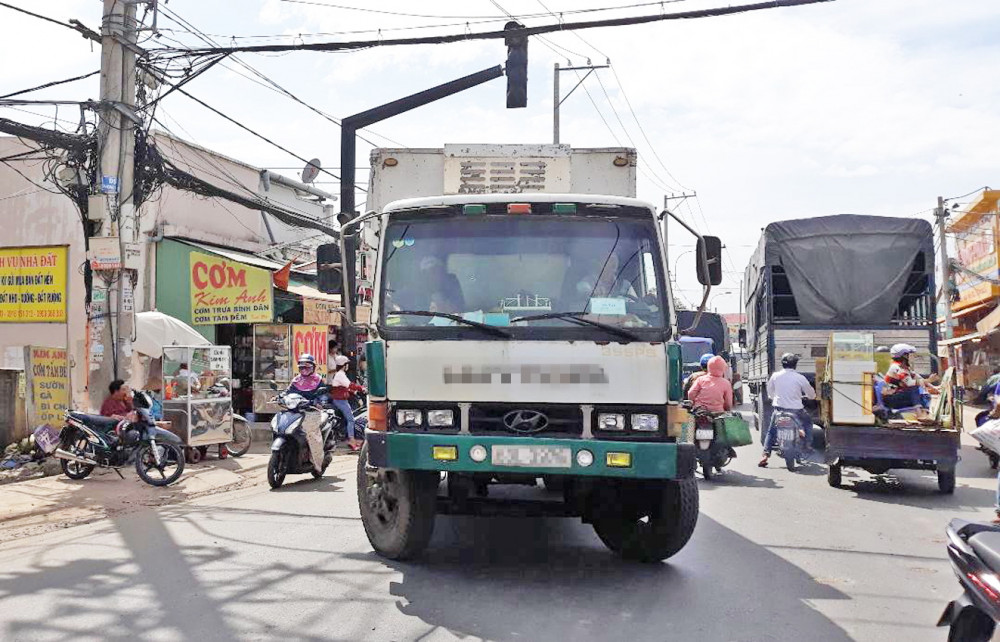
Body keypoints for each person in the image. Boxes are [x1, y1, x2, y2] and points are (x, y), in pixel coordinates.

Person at [759, 353, 816, 468]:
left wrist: (774, 397)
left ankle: (765, 455)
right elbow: (811, 395)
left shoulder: (775, 376)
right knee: (808, 423)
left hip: (779, 410)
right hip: (797, 411)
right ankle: (807, 446)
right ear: (795, 365)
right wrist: (809, 397)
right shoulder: (800, 378)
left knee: (771, 431)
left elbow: (770, 392)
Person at [287, 354, 325, 474]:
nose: (305, 369)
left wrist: (320, 401)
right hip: (296, 411)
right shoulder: (296, 380)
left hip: (312, 412)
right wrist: (279, 396)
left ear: (313, 367)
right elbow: (288, 391)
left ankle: (317, 463)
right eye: (302, 367)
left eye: (308, 367)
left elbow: (324, 395)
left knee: (311, 434)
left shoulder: (318, 380)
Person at [882, 344, 939, 409]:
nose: (913, 357)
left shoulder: (905, 367)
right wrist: (928, 380)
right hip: (890, 398)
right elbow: (909, 383)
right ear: (904, 356)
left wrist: (933, 387)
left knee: (924, 396)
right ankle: (919, 413)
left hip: (898, 395)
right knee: (914, 389)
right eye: (910, 355)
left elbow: (918, 377)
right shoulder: (896, 367)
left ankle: (925, 412)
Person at [330, 354, 366, 451]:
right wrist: (361, 388)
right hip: (340, 401)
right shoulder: (340, 374)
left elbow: (345, 387)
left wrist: (354, 392)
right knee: (351, 420)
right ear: (344, 365)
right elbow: (350, 384)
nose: (348, 366)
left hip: (341, 400)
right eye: (347, 364)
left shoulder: (340, 374)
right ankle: (352, 440)